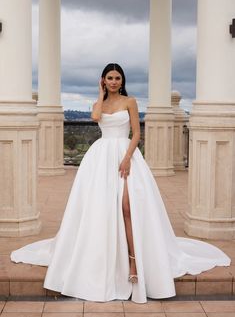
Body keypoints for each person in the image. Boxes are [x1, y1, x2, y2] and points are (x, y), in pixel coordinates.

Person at [11, 63, 230, 304]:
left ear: (122, 80)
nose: (114, 81)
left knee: (128, 207)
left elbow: (136, 133)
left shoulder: (130, 101)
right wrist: (100, 93)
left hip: (125, 156)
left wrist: (126, 158)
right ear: (103, 80)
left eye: (117, 78)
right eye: (109, 78)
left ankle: (134, 263)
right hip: (101, 158)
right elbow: (95, 118)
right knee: (103, 209)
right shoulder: (99, 105)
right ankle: (109, 262)